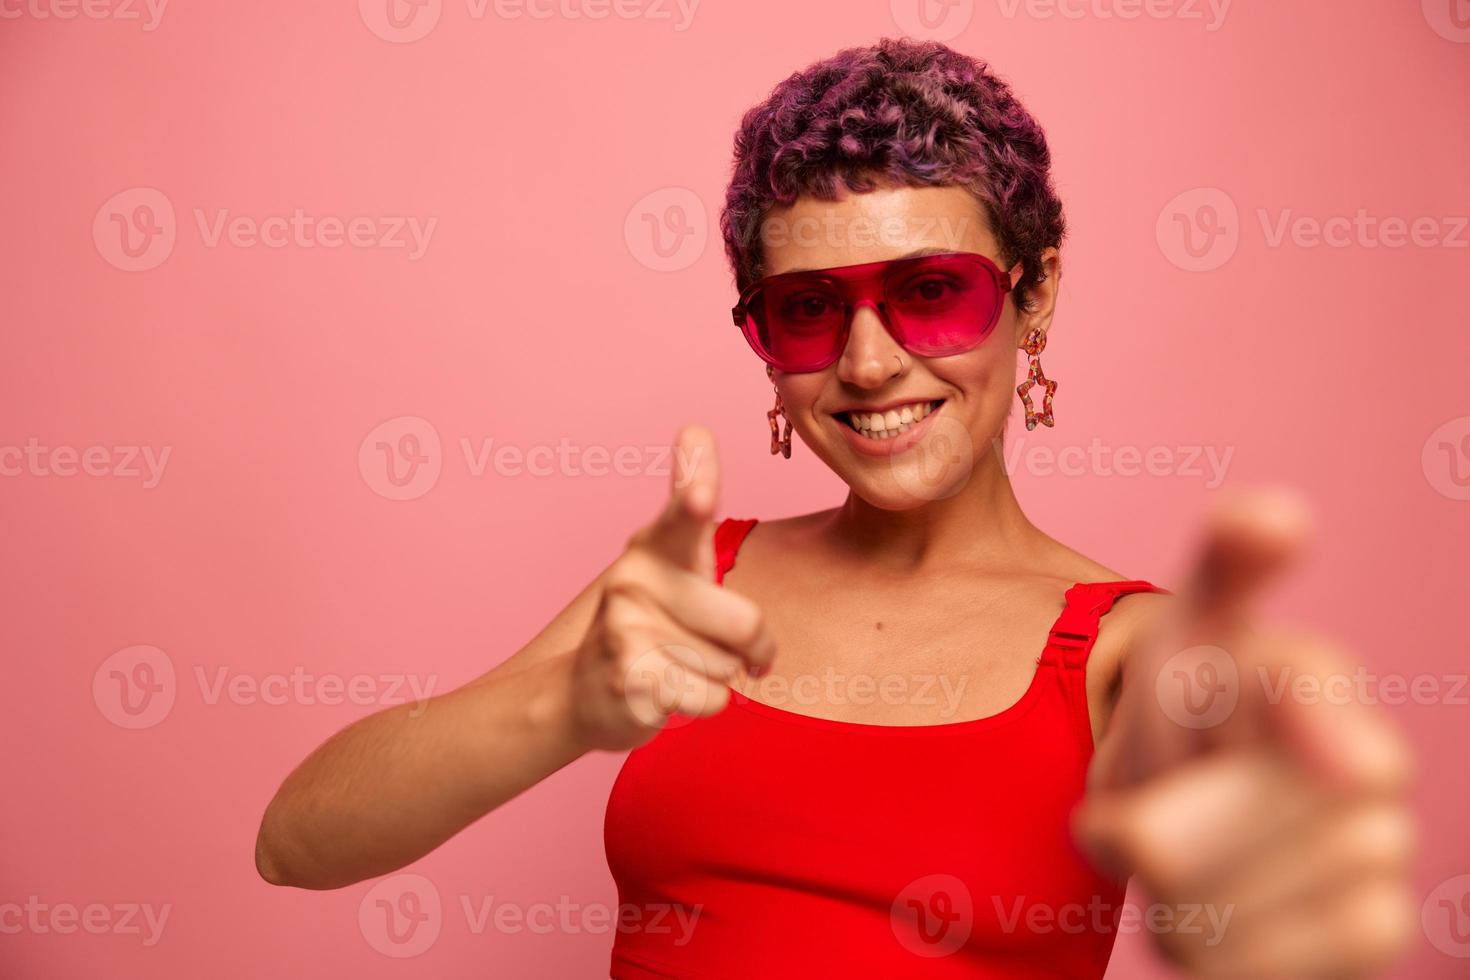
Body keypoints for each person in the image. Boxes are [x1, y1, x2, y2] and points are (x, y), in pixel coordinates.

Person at [255, 37, 1416, 978]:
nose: (868, 363)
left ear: (1037, 290)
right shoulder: (688, 587)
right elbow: (298, 839)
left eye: (929, 292)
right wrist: (566, 703)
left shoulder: (1122, 652)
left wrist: (1273, 865)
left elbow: (1237, 802)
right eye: (808, 309)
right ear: (764, 343)